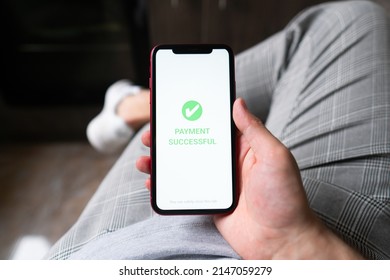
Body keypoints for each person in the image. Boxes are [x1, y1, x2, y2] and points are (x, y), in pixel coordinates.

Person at [46, 1, 390, 259]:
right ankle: (142, 101)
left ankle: (139, 103)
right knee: (347, 20)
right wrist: (295, 242)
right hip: (296, 248)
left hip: (99, 254)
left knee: (171, 122)